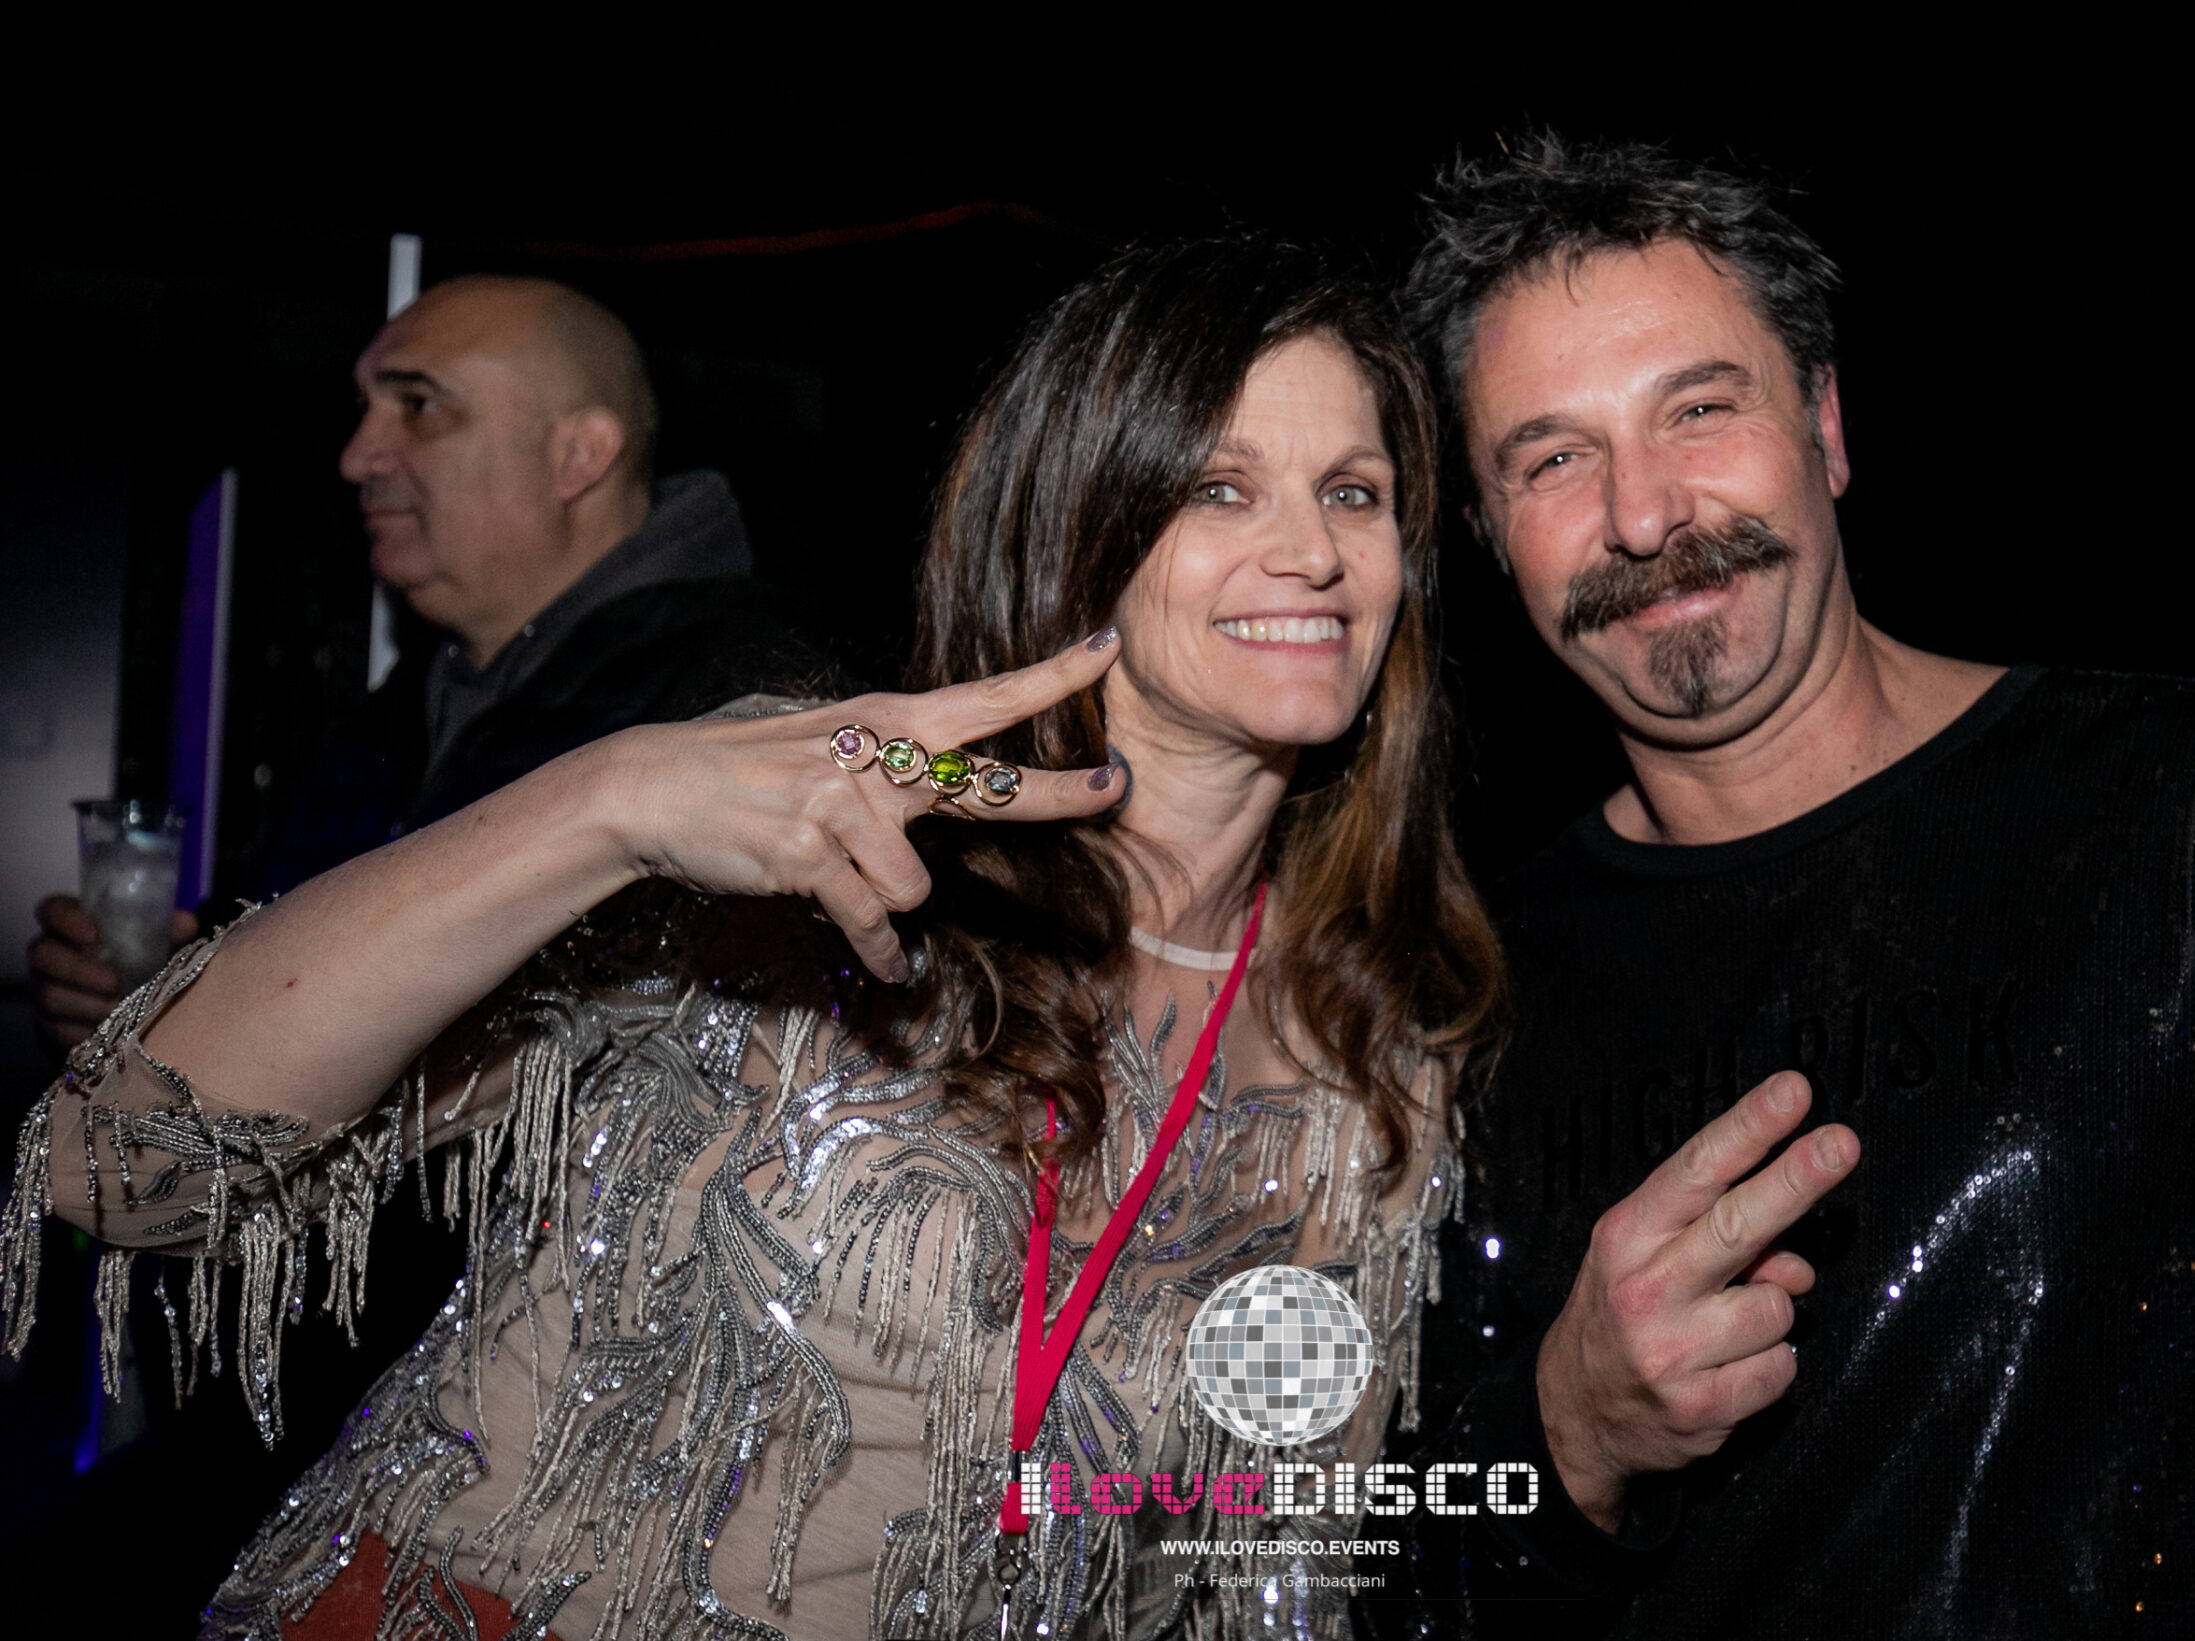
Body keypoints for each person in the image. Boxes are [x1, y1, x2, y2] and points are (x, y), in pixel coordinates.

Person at [3, 240, 1500, 1639]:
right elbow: (113, 1162)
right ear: (1081, 517)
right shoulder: (803, 839)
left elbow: (1273, 1565)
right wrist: (608, 802)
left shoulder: (1377, 1052)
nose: (1312, 551)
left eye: (1354, 493)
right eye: (1223, 488)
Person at [1362, 135, 2195, 1636]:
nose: (1647, 515)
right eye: (1552, 460)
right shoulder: (1460, 997)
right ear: (1490, 541)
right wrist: (1567, 1436)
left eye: (1701, 410)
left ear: (1826, 427)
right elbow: (1364, 1574)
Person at [25, 273, 818, 1056]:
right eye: (365, 410)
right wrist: (170, 988)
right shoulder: (401, 704)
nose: (356, 457)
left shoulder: (737, 698)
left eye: (419, 406)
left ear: (578, 455)